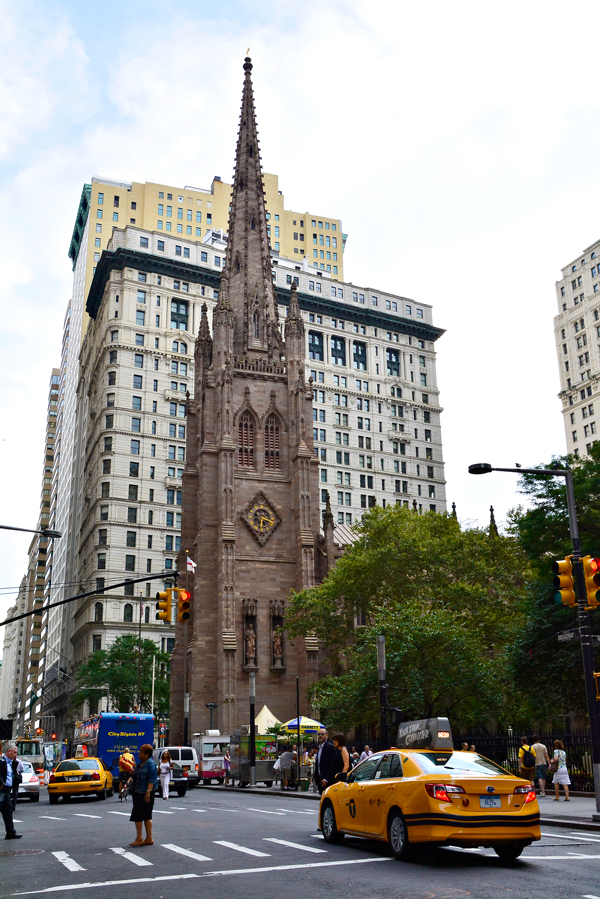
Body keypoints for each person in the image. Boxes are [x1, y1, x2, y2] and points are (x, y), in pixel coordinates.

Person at [129, 743, 157, 846]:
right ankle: (148, 838)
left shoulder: (150, 764)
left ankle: (139, 838)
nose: (138, 754)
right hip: (138, 791)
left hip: (143, 793)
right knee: (146, 815)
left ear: (146, 754)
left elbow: (151, 779)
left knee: (138, 815)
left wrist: (148, 792)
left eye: (140, 752)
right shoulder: (141, 764)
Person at [0, 742, 22, 840]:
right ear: (9, 752)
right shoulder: (2, 762)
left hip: (7, 790)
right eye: (14, 752)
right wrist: (2, 783)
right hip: (2, 790)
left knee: (8, 811)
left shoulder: (11, 763)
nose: (15, 755)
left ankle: (10, 832)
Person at [313, 727, 337, 795]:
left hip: (327, 779)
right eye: (319, 734)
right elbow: (318, 763)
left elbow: (332, 765)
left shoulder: (330, 747)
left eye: (322, 734)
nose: (320, 736)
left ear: (327, 735)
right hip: (320, 778)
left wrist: (327, 778)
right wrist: (315, 776)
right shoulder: (319, 747)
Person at [6, 746, 23, 811]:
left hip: (15, 779)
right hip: (10, 779)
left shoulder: (17, 762)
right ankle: (9, 805)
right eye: (14, 752)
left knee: (15, 792)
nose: (15, 754)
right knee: (9, 792)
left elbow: (21, 769)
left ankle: (13, 805)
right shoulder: (7, 761)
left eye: (16, 753)